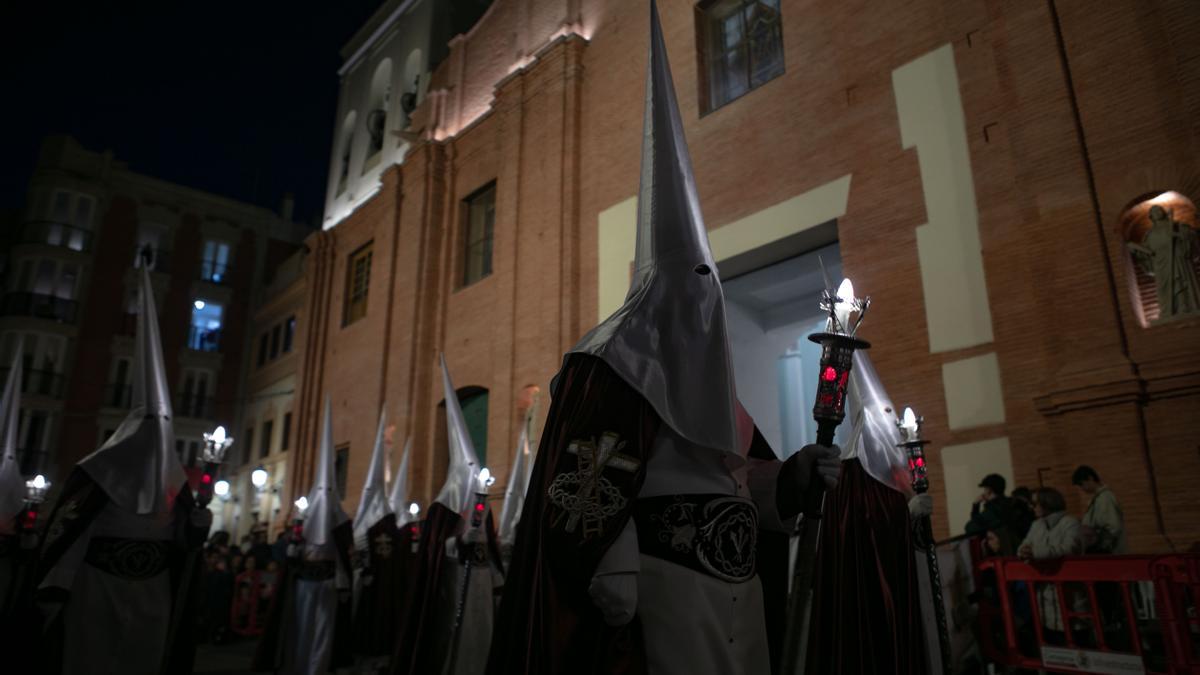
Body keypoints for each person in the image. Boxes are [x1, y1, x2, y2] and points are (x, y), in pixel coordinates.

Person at [486, 5, 840, 674]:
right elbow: (584, 485)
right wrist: (614, 564)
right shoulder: (610, 362)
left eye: (709, 284)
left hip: (740, 597)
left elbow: (747, 483)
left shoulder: (711, 381)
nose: (701, 299)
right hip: (664, 597)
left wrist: (793, 475)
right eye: (690, 281)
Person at [804, 352, 934, 674]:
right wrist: (908, 512)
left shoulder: (890, 475)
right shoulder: (855, 475)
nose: (891, 425)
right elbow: (867, 530)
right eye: (885, 415)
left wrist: (915, 513)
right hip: (866, 584)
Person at [253, 397, 354, 674]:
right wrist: (292, 549)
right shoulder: (304, 517)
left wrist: (343, 579)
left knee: (323, 631)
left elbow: (346, 553)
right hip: (305, 581)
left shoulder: (341, 521)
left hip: (328, 582)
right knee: (300, 625)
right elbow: (293, 550)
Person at [1018, 488, 1085, 646]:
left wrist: (1034, 553)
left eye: (1034, 503)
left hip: (1069, 592)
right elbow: (1023, 547)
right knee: (1052, 641)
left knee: (1075, 639)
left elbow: (1069, 548)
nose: (1031, 507)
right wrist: (1024, 551)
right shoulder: (1037, 525)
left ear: (1048, 503)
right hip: (1045, 595)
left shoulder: (1070, 522)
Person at [1072, 465, 1127, 554]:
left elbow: (1113, 527)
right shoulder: (1098, 499)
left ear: (1090, 478)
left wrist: (1096, 541)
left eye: (1082, 484)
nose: (1082, 488)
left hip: (1109, 552)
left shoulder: (1105, 499)